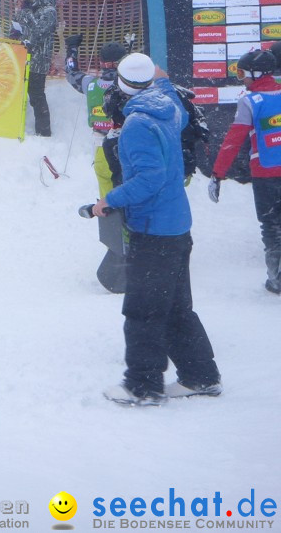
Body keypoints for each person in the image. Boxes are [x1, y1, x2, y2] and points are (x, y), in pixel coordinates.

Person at [94, 53, 222, 405]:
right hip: (177, 226)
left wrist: (108, 201)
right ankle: (201, 376)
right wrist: (160, 79)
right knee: (177, 308)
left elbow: (149, 178)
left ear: (119, 85)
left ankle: (142, 386)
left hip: (153, 231)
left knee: (143, 311)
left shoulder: (136, 123)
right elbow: (165, 90)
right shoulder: (168, 106)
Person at [209, 50, 281, 295]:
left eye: (241, 73)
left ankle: (277, 279)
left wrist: (218, 173)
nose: (241, 78)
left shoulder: (250, 101)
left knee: (271, 226)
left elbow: (233, 140)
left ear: (256, 73)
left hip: (266, 173)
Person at [66, 38, 127, 194]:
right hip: (128, 142)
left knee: (106, 187)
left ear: (102, 63)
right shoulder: (132, 86)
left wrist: (72, 48)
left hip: (101, 144)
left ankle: (108, 211)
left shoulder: (90, 84)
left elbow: (71, 72)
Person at [11, 0, 56, 135]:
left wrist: (26, 14)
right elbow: (15, 28)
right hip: (22, 56)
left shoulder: (48, 11)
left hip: (39, 59)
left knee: (37, 95)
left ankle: (44, 132)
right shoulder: (26, 9)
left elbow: (38, 32)